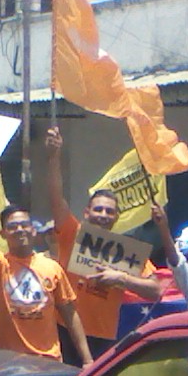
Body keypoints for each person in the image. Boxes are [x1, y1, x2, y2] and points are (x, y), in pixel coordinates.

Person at [0, 174, 89, 364]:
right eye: (12, 226)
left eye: (24, 225)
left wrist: (88, 360)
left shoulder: (52, 268)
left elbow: (70, 314)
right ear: (3, 234)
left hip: (47, 362)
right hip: (5, 363)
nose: (19, 230)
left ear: (33, 230)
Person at [43, 126, 149, 360]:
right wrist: (53, 157)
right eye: (98, 209)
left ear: (116, 217)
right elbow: (55, 197)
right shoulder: (73, 233)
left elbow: (155, 290)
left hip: (105, 336)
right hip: (64, 329)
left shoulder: (124, 251)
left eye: (109, 211)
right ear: (86, 212)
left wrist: (122, 278)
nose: (103, 214)